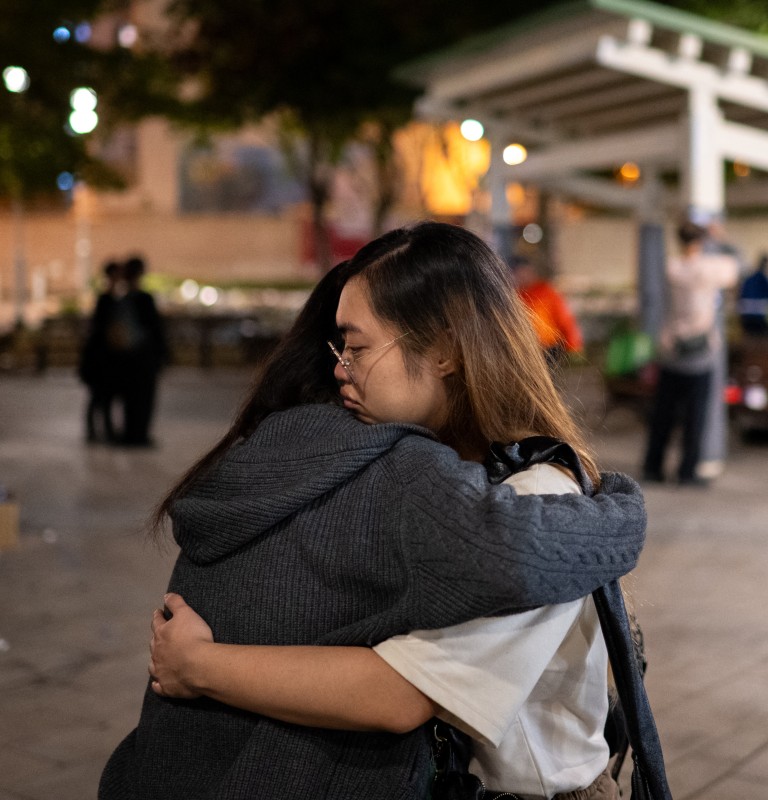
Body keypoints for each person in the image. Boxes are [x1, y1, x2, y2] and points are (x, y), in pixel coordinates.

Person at [100, 223, 647, 799]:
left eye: (357, 347)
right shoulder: (437, 475)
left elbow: (399, 695)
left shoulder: (538, 497)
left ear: (444, 350)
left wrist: (199, 666)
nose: (341, 368)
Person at [642, 221, 738, 487]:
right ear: (701, 241)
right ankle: (687, 471)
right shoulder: (708, 268)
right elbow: (734, 267)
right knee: (696, 416)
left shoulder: (671, 267)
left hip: (671, 349)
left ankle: (653, 466)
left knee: (663, 415)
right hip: (700, 354)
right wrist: (718, 237)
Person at [109, 255, 169, 446]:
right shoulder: (144, 299)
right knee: (144, 398)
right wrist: (163, 354)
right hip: (144, 357)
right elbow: (155, 329)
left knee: (129, 398)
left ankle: (129, 433)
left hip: (126, 357)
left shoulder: (122, 300)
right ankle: (139, 435)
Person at [511, 255, 584, 368]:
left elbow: (565, 319)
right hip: (526, 348)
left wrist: (573, 345)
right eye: (517, 273)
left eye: (523, 272)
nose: (521, 276)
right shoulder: (515, 296)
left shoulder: (547, 293)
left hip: (548, 347)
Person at [79, 260, 123, 442]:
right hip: (102, 355)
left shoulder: (108, 299)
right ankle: (101, 431)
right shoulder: (107, 299)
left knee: (101, 395)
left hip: (102, 354)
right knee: (101, 394)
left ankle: (98, 430)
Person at [737, 252, 768, 336]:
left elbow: (741, 296)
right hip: (761, 317)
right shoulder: (764, 280)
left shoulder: (749, 279)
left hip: (746, 317)